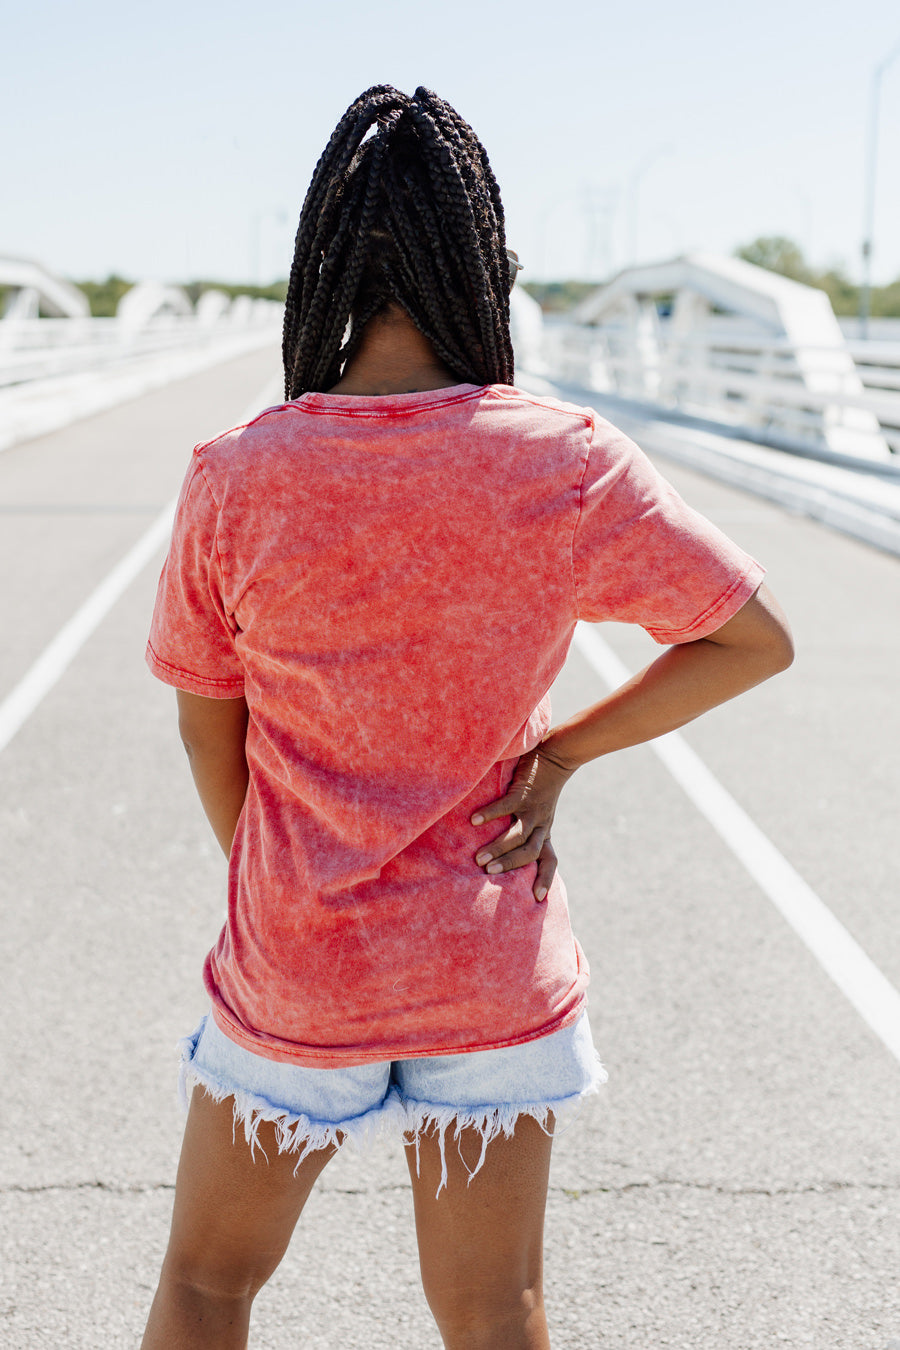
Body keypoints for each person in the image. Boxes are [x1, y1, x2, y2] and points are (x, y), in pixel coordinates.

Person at [140, 85, 793, 1350]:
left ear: (320, 262)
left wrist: (275, 876)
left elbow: (205, 726)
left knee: (209, 1284)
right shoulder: (564, 460)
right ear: (486, 260)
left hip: (302, 962)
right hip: (490, 957)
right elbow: (749, 639)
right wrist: (560, 758)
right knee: (495, 1310)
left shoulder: (238, 474)